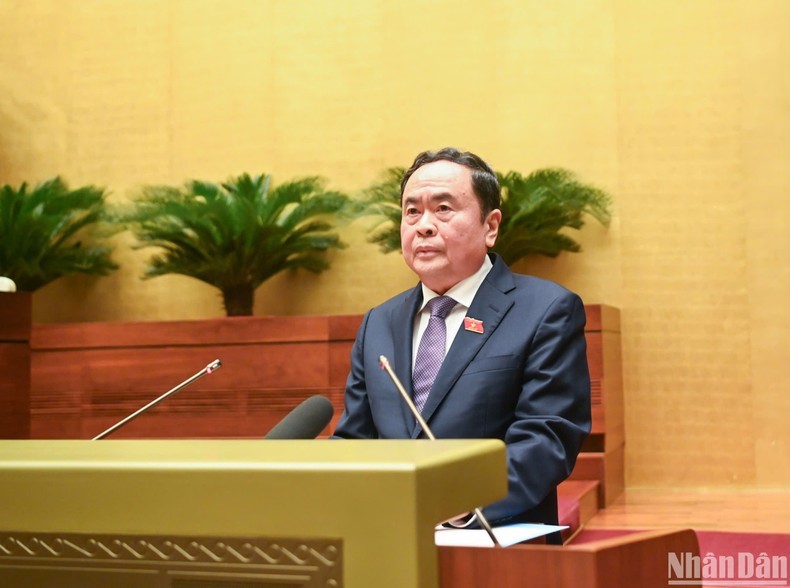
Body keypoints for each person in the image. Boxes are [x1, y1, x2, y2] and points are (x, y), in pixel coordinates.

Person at [333, 147, 590, 541]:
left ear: (491, 226)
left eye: (443, 209)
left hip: (493, 544)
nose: (423, 226)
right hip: (388, 541)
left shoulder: (546, 310)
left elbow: (546, 439)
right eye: (412, 211)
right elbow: (356, 440)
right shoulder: (379, 323)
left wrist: (456, 505)